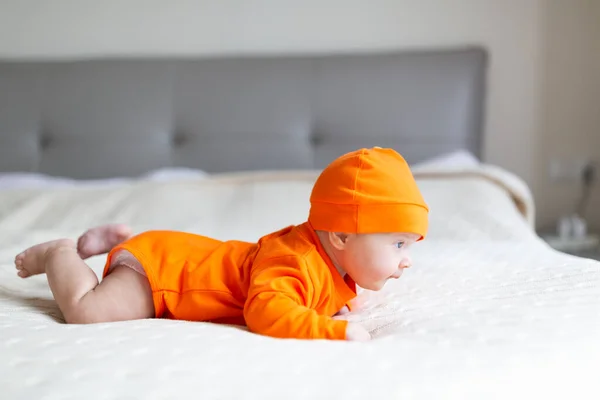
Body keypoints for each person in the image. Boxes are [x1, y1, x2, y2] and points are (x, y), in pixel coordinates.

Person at [14, 147, 428, 341]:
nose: (407, 260)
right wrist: (332, 332)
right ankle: (60, 253)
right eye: (398, 245)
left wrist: (351, 301)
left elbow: (327, 292)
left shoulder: (335, 264)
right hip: (162, 277)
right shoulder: (293, 260)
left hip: (175, 253)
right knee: (88, 313)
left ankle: (127, 239)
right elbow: (266, 311)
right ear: (340, 236)